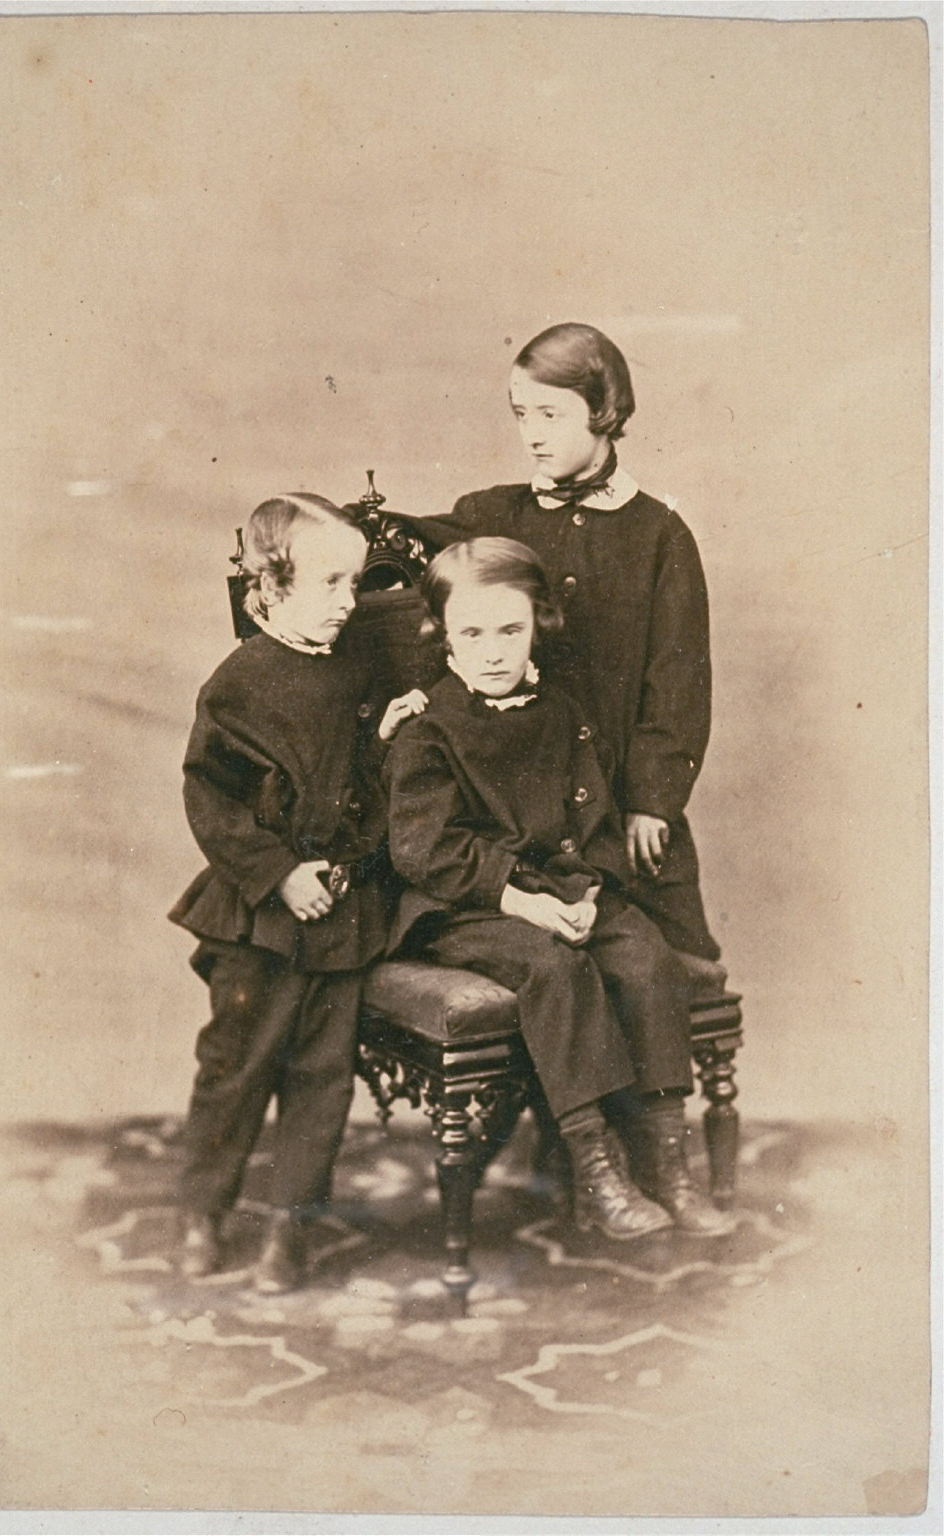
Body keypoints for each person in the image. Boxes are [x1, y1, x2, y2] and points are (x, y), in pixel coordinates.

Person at [385, 537, 735, 1238]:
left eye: (510, 630)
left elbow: (594, 816)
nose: (492, 652)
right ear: (444, 642)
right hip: (471, 905)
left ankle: (667, 1161)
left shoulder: (561, 711)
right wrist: (522, 902)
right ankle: (595, 1164)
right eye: (472, 634)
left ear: (536, 627)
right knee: (554, 968)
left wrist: (589, 896)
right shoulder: (428, 731)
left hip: (564, 884)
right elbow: (426, 849)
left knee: (646, 957)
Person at [406, 322, 724, 989]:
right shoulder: (492, 515)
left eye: (551, 414)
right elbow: (414, 572)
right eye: (522, 415)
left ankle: (648, 1097)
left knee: (650, 965)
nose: (532, 434)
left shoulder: (659, 534)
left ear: (603, 412)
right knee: (554, 970)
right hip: (514, 811)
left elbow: (677, 681)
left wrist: (653, 802)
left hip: (616, 808)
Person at [169, 494, 426, 1290]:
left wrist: (380, 740)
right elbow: (210, 795)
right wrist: (279, 874)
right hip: (262, 919)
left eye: (354, 584)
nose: (350, 602)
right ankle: (203, 1212)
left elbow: (354, 788)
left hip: (342, 914)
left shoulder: (353, 669)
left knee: (322, 1078)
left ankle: (291, 1225)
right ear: (272, 587)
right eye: (332, 585)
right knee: (237, 1068)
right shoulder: (237, 685)